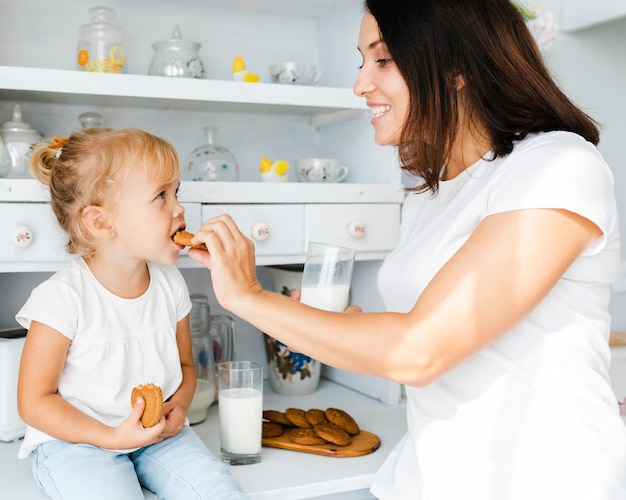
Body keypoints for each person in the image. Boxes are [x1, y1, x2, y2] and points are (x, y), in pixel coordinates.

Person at [187, 1, 626, 499]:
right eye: (362, 61)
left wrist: (247, 295)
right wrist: (334, 327)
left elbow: (419, 350)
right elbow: (425, 331)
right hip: (429, 477)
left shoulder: (557, 167)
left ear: (455, 66)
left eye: (384, 60)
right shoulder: (431, 191)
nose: (360, 85)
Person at [16, 128, 245, 499]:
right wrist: (110, 437)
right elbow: (34, 402)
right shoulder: (62, 298)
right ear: (102, 222)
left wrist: (179, 407)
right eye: (160, 196)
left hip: (158, 436)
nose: (179, 207)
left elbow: (186, 370)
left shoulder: (171, 286)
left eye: (176, 192)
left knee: (219, 491)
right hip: (76, 443)